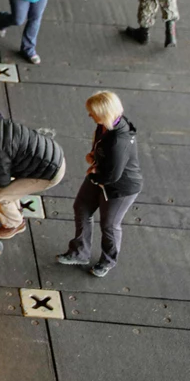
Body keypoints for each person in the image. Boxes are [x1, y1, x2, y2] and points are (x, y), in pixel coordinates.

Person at [57, 92, 142, 278]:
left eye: (92, 112)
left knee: (109, 225)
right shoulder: (105, 126)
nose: (90, 115)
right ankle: (80, 253)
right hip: (100, 174)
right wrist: (94, 156)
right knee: (82, 207)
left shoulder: (120, 141)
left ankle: (108, 261)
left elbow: (113, 175)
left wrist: (94, 175)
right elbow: (101, 149)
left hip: (120, 188)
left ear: (105, 114)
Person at [0, 107, 66, 240]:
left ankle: (15, 224)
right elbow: (2, 153)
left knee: (1, 196)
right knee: (8, 191)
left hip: (48, 173)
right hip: (50, 155)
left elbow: (1, 181)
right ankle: (9, 209)